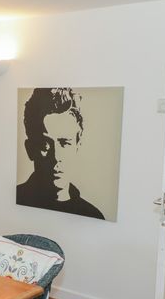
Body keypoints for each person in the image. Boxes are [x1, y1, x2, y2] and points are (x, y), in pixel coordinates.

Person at [17, 88, 104, 219]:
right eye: (45, 145)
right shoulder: (19, 198)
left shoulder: (92, 215)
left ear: (77, 146)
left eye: (65, 143)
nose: (56, 157)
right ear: (30, 149)